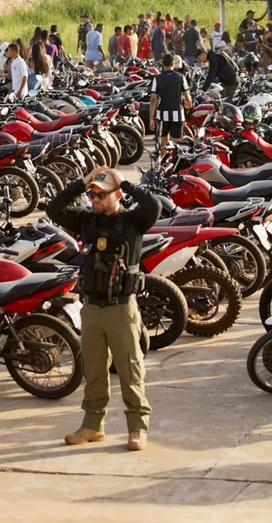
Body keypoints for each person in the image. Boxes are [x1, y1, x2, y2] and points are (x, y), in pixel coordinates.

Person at [47, 167, 159, 452]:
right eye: (92, 195)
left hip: (121, 308)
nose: (95, 199)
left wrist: (127, 184)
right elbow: (54, 207)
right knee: (94, 369)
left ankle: (137, 428)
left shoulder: (133, 220)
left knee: (130, 369)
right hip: (92, 308)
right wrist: (82, 181)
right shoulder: (86, 221)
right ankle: (93, 425)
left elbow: (153, 206)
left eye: (101, 194)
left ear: (117, 194)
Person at [149, 54, 190, 154]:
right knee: (176, 143)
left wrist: (151, 118)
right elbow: (187, 96)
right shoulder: (181, 77)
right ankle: (174, 164)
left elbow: (153, 99)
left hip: (162, 114)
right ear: (173, 64)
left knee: (164, 142)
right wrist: (188, 104)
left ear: (163, 64)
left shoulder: (157, 79)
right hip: (178, 114)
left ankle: (163, 164)